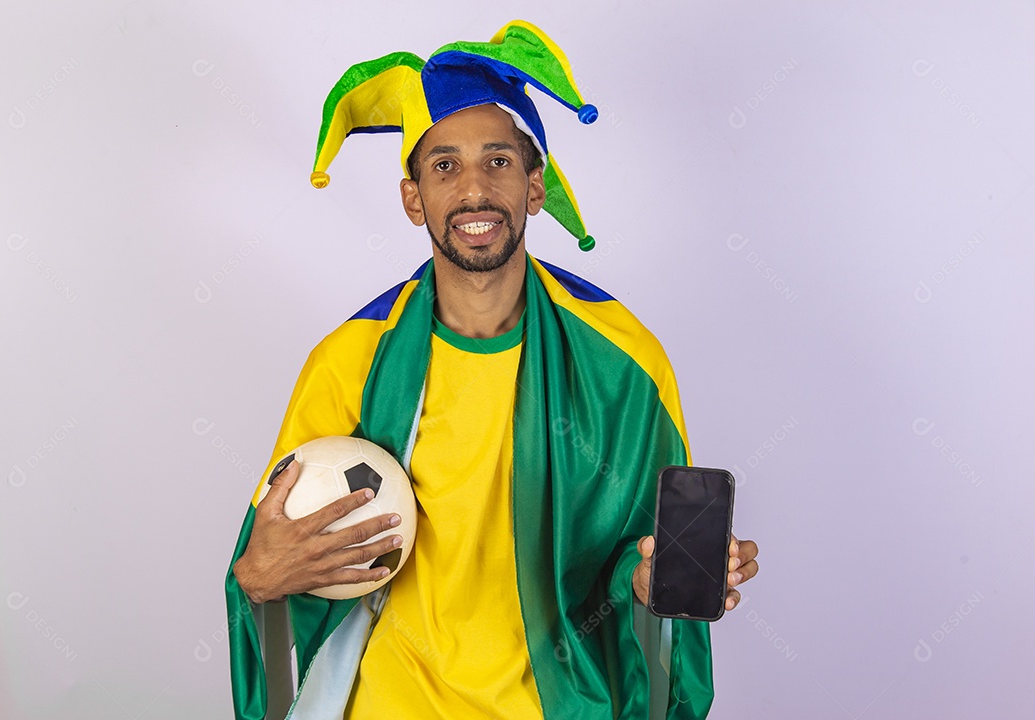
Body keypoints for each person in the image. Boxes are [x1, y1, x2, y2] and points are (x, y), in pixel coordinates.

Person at [226, 20, 759, 720]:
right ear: (413, 197)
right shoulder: (349, 361)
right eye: (444, 165)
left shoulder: (624, 360)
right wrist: (258, 579)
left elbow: (638, 552)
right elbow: (273, 557)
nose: (473, 189)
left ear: (535, 186)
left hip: (557, 703)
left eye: (498, 162)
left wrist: (655, 579)